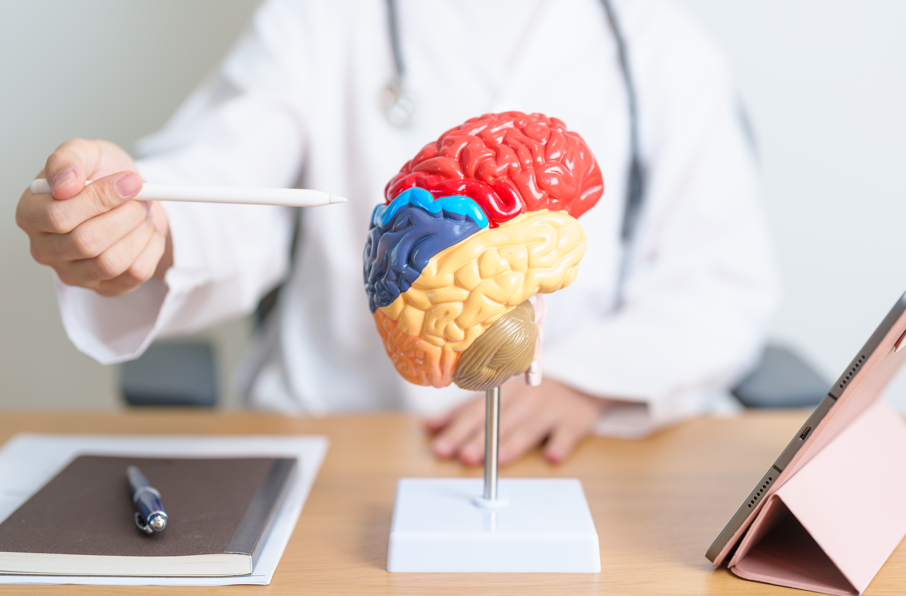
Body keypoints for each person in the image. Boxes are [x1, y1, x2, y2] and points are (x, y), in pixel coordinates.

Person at [15, 0, 777, 466]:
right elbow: (225, 177)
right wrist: (144, 226)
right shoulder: (324, 16)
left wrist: (589, 381)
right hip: (336, 452)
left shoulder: (663, 49)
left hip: (572, 457)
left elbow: (722, 282)